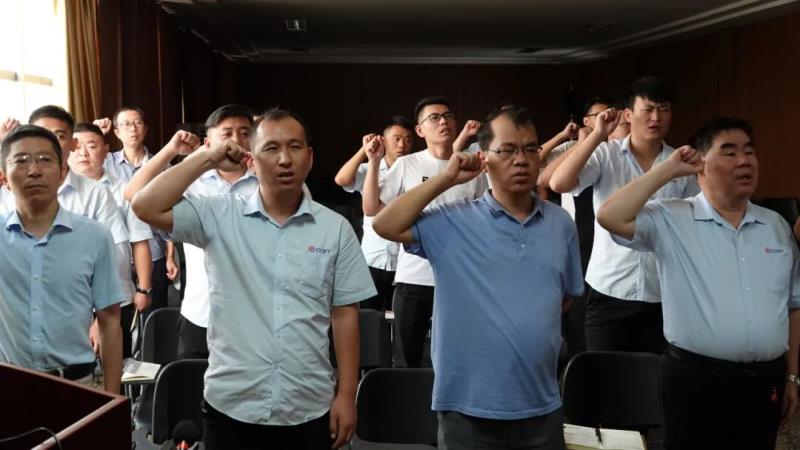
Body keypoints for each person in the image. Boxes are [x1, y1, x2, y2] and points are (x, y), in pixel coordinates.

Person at [131, 108, 375, 449]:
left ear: (310, 157)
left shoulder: (335, 229)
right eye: (271, 148)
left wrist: (347, 395)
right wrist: (207, 157)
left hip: (307, 403)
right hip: (232, 404)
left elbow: (345, 314)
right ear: (252, 161)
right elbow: (144, 206)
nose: (285, 159)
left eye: (295, 147)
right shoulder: (218, 214)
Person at [373, 104, 583, 449]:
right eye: (508, 150)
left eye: (530, 149)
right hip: (467, 410)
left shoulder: (561, 224)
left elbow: (562, 299)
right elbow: (385, 224)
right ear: (484, 158)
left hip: (541, 406)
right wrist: (446, 178)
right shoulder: (453, 220)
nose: (521, 160)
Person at [596, 117, 799, 450]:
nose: (745, 161)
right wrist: (667, 169)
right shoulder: (672, 217)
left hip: (765, 382)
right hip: (696, 381)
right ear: (700, 166)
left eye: (749, 151)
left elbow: (793, 304)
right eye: (729, 152)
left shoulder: (775, 225)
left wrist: (792, 376)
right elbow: (610, 216)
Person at [550, 77, 700, 353]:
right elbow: (559, 183)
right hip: (610, 289)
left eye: (664, 110)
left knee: (655, 376)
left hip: (663, 293)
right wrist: (597, 134)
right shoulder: (606, 155)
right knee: (604, 374)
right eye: (648, 109)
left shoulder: (680, 164)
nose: (656, 118)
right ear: (628, 115)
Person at [362, 96, 488, 368]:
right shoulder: (407, 164)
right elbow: (373, 209)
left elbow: (482, 221)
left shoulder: (472, 168)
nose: (443, 122)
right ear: (420, 130)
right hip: (414, 277)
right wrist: (373, 162)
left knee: (456, 358)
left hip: (459, 278)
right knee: (406, 360)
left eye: (448, 116)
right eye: (435, 117)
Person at [125, 104, 256, 359]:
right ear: (208, 143)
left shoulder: (268, 182)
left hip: (253, 315)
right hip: (201, 311)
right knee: (193, 380)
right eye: (226, 133)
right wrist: (172, 151)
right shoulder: (189, 181)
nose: (236, 140)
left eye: (245, 133)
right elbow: (133, 194)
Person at [0, 125, 124, 393]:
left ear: (62, 172)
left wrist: (113, 399)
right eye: (21, 161)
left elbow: (110, 323)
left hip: (75, 386)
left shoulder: (95, 237)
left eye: (45, 159)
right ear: (4, 176)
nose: (34, 170)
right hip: (8, 386)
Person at [70, 122, 153, 358]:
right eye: (77, 147)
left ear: (106, 151)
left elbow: (139, 240)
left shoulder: (125, 190)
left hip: (118, 293)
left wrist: (143, 288)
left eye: (91, 146)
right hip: (72, 297)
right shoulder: (55, 193)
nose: (83, 153)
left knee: (118, 361)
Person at [334, 116, 413, 310]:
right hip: (373, 256)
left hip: (404, 259)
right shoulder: (370, 167)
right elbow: (342, 179)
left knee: (398, 317)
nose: (402, 145)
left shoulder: (414, 169)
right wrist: (365, 150)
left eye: (408, 139)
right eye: (396, 139)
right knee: (368, 315)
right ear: (383, 141)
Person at [104, 107, 178, 310]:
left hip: (154, 251)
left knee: (154, 310)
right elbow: (80, 164)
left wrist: (170, 256)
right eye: (126, 124)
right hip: (117, 254)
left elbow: (170, 209)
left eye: (137, 123)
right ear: (116, 132)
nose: (132, 129)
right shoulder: (105, 162)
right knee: (121, 315)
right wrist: (97, 133)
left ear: (145, 129)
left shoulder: (162, 165)